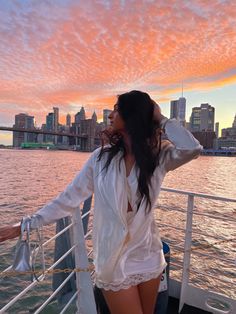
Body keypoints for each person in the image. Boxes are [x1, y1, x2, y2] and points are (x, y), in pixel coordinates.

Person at [0, 90, 202, 314]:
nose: (110, 116)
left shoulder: (158, 156)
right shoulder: (100, 158)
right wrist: (24, 225)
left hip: (148, 257)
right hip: (112, 263)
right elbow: (68, 198)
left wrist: (160, 117)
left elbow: (192, 148)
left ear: (131, 115)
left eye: (116, 110)